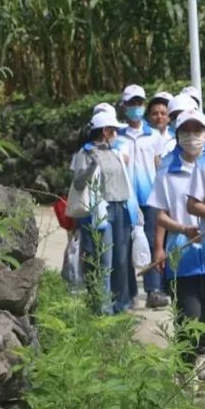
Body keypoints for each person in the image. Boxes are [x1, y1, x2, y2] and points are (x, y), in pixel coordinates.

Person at [148, 109, 205, 373]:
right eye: (186, 131)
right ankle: (184, 375)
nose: (192, 136)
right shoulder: (167, 170)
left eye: (197, 131)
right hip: (183, 256)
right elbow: (160, 215)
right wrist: (180, 230)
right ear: (177, 135)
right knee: (189, 319)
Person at [69, 109, 135, 315]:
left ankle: (121, 305)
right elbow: (78, 183)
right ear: (105, 131)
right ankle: (104, 309)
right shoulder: (85, 153)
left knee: (121, 261)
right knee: (104, 261)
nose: (116, 134)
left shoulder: (115, 152)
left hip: (121, 207)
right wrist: (91, 168)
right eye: (113, 130)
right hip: (100, 210)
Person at [119, 84, 170, 309]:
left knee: (152, 242)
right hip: (124, 198)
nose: (136, 107)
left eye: (139, 103)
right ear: (124, 106)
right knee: (125, 244)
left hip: (150, 197)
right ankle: (128, 292)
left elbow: (160, 164)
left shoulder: (154, 135)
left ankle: (154, 290)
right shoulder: (118, 136)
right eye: (132, 103)